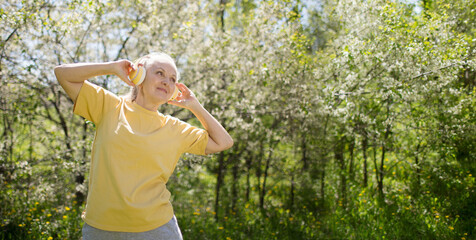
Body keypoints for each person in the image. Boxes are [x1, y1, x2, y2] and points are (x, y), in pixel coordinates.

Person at [54, 52, 233, 239]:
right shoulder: (109, 106)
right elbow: (62, 74)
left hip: (158, 229)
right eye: (160, 73)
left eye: (172, 79)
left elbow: (224, 142)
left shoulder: (174, 128)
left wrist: (195, 105)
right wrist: (111, 67)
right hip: (102, 228)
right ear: (139, 75)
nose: (167, 82)